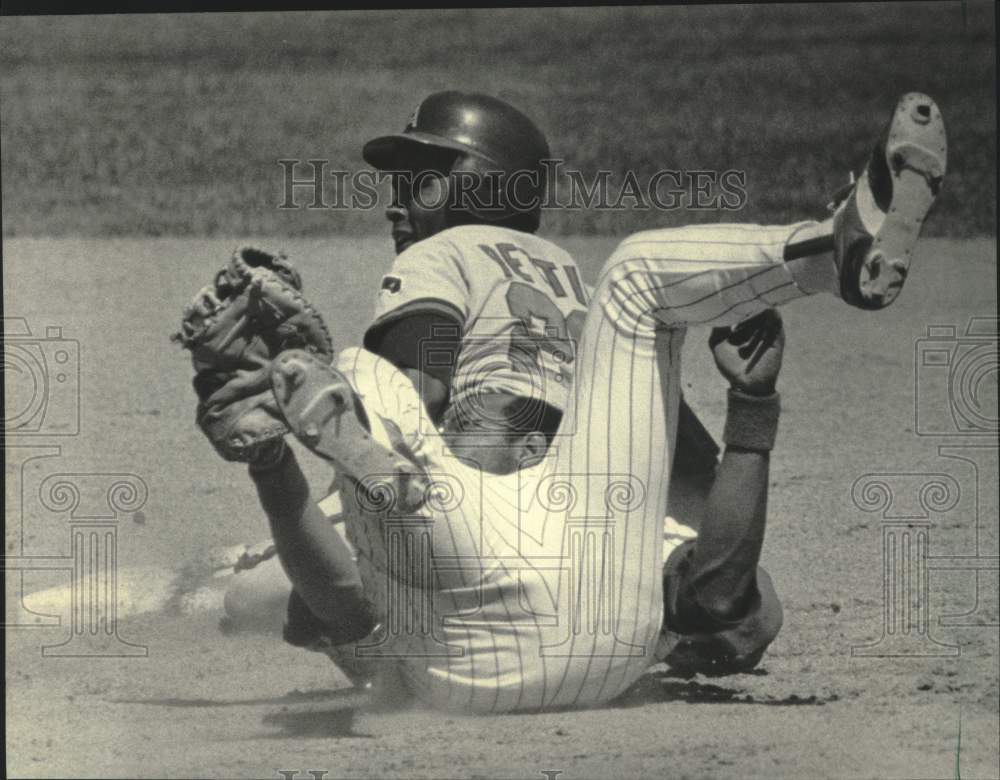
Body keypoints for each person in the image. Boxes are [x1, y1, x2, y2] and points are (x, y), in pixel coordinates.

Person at [242, 92, 946, 711]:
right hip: (589, 483)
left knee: (287, 589)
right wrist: (744, 417)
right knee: (746, 611)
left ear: (480, 188)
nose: (396, 200)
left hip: (476, 456)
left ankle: (324, 577)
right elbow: (689, 470)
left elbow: (421, 386)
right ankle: (828, 249)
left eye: (420, 181)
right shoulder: (571, 282)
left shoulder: (438, 252)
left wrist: (322, 432)